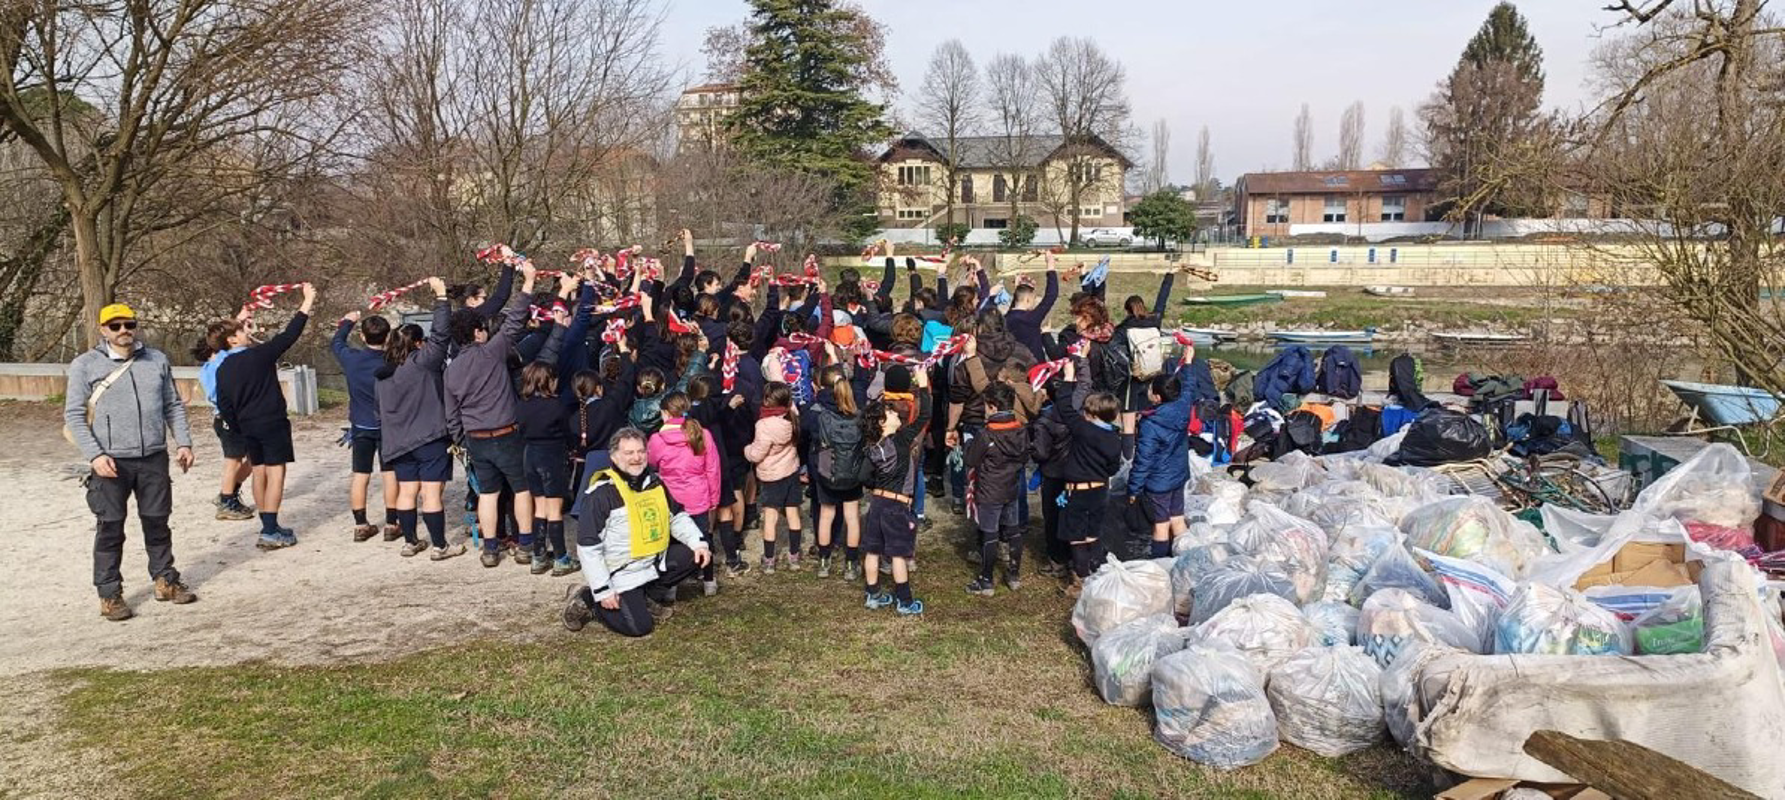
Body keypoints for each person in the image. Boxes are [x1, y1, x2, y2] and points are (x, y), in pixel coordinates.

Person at [65, 302, 198, 620]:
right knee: (110, 528)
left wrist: (183, 442)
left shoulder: (156, 359)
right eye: (115, 326)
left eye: (129, 324)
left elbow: (172, 405)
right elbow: (74, 415)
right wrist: (95, 455)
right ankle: (109, 593)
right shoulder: (85, 365)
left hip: (153, 457)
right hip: (110, 462)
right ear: (103, 330)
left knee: (158, 521)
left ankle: (165, 579)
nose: (123, 330)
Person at [562, 428, 712, 637]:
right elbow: (588, 547)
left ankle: (645, 597)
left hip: (651, 562)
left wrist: (698, 543)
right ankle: (590, 599)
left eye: (641, 452)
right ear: (614, 457)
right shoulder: (601, 495)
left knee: (695, 555)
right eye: (629, 453)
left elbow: (676, 517)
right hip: (621, 572)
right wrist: (602, 589)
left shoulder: (655, 484)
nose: (636, 458)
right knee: (640, 627)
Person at [445, 263, 539, 568]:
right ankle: (525, 544)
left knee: (487, 493)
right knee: (521, 489)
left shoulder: (451, 370)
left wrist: (461, 440)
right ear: (477, 332)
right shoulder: (492, 351)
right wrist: (529, 282)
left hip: (476, 438)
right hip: (506, 432)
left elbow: (451, 412)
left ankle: (490, 548)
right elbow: (514, 320)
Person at [215, 282, 316, 550]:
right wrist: (307, 301)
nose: (247, 332)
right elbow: (290, 334)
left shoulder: (222, 368)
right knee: (276, 473)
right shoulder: (260, 356)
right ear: (232, 339)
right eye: (242, 330)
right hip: (271, 422)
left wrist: (238, 426)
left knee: (259, 471)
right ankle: (271, 530)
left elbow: (225, 404)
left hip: (247, 425)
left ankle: (267, 525)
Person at [375, 278, 465, 560]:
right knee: (431, 493)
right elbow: (440, 335)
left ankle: (410, 542)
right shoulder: (422, 363)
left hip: (398, 442)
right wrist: (441, 298)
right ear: (416, 343)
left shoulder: (383, 375)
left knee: (407, 491)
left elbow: (379, 412)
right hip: (429, 437)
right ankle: (440, 546)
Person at [858, 366, 932, 616]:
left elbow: (864, 476)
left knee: (873, 550)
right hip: (897, 505)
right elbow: (924, 416)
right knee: (899, 554)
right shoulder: (901, 439)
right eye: (890, 412)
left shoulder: (872, 447)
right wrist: (923, 385)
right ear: (882, 423)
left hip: (877, 503)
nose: (895, 412)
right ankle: (905, 601)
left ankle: (873, 595)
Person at [1051, 357, 1122, 596]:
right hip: (1100, 489)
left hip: (1078, 490)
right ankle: (1097, 574)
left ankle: (1080, 580)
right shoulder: (1114, 438)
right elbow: (1113, 468)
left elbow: (1064, 408)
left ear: (1091, 413)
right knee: (1094, 533)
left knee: (1077, 537)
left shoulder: (1084, 430)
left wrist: (1068, 378)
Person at [333, 309, 400, 542]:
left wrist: (347, 322)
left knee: (360, 474)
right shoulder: (392, 362)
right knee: (390, 474)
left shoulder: (351, 359)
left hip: (361, 425)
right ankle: (391, 523)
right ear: (387, 336)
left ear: (362, 337)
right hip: (387, 425)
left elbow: (337, 342)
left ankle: (361, 524)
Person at [647, 392, 722, 595]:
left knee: (672, 542)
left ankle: (672, 586)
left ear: (664, 413)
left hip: (670, 500)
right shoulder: (702, 433)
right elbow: (712, 469)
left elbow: (651, 464)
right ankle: (709, 581)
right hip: (699, 497)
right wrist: (714, 498)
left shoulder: (657, 439)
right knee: (703, 538)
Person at [1128, 348, 1200, 558]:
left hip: (1159, 482)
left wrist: (1133, 489)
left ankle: (1161, 564)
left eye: (1151, 389)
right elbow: (1189, 385)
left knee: (1161, 524)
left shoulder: (1151, 423)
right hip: (1179, 473)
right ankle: (1184, 559)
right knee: (1177, 518)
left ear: (1157, 397)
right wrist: (1188, 362)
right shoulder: (1183, 404)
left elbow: (1143, 460)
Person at [963, 382, 1029, 597]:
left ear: (992, 406)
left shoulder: (986, 435)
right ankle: (1014, 575)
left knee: (989, 532)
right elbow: (1024, 456)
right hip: (1011, 487)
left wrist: (967, 443)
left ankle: (986, 580)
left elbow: (971, 459)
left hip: (990, 490)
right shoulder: (1020, 430)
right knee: (1013, 530)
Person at [800, 366, 864, 579]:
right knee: (852, 517)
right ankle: (851, 563)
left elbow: (806, 433)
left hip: (827, 467)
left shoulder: (818, 413)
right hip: (852, 468)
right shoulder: (858, 413)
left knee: (826, 514)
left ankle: (824, 561)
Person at [193, 316, 255, 521]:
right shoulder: (214, 366)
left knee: (253, 458)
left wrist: (241, 320)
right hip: (226, 418)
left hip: (241, 417)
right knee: (233, 460)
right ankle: (227, 500)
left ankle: (228, 493)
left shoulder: (223, 361)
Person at [743, 382, 801, 574]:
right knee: (793, 514)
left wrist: (747, 450)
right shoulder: (792, 417)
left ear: (768, 400)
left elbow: (757, 454)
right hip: (791, 471)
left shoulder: (764, 425)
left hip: (772, 476)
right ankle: (794, 556)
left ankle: (769, 559)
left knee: (770, 517)